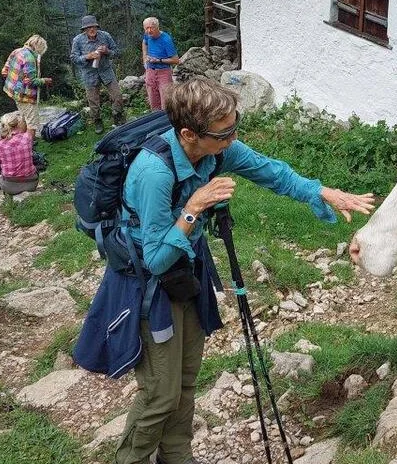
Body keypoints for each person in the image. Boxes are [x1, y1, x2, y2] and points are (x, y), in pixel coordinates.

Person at [107, 78, 375, 464]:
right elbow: (155, 259)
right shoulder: (155, 173)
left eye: (235, 127)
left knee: (184, 382)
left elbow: (270, 171)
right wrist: (193, 208)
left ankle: (177, 457)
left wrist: (321, 192)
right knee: (160, 393)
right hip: (148, 285)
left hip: (187, 275)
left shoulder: (216, 149)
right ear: (189, 134)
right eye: (224, 133)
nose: (233, 139)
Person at [71, 15, 124, 133]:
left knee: (117, 96)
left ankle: (117, 116)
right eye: (88, 27)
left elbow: (117, 52)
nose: (91, 29)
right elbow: (74, 58)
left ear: (96, 26)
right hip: (89, 74)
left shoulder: (105, 36)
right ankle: (97, 121)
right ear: (84, 29)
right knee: (93, 101)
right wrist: (87, 57)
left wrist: (107, 51)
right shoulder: (78, 40)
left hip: (106, 71)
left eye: (93, 26)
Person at [1, 35, 53, 134]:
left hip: (13, 92)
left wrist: (15, 79)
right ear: (38, 47)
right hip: (24, 95)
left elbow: (4, 71)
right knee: (32, 123)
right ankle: (28, 147)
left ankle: (20, 142)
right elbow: (31, 81)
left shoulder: (17, 51)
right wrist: (44, 80)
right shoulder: (30, 58)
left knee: (25, 117)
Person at [0, 112, 39, 195]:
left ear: (2, 126)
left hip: (9, 187)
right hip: (32, 184)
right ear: (17, 124)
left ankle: (2, 180)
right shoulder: (27, 137)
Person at [141, 16, 180, 111]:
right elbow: (144, 42)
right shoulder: (147, 35)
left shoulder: (166, 39)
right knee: (153, 101)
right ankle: (156, 122)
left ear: (158, 27)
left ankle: (167, 123)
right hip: (150, 71)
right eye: (146, 28)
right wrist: (145, 57)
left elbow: (176, 60)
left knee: (166, 103)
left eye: (151, 28)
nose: (149, 30)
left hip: (163, 72)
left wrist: (159, 60)